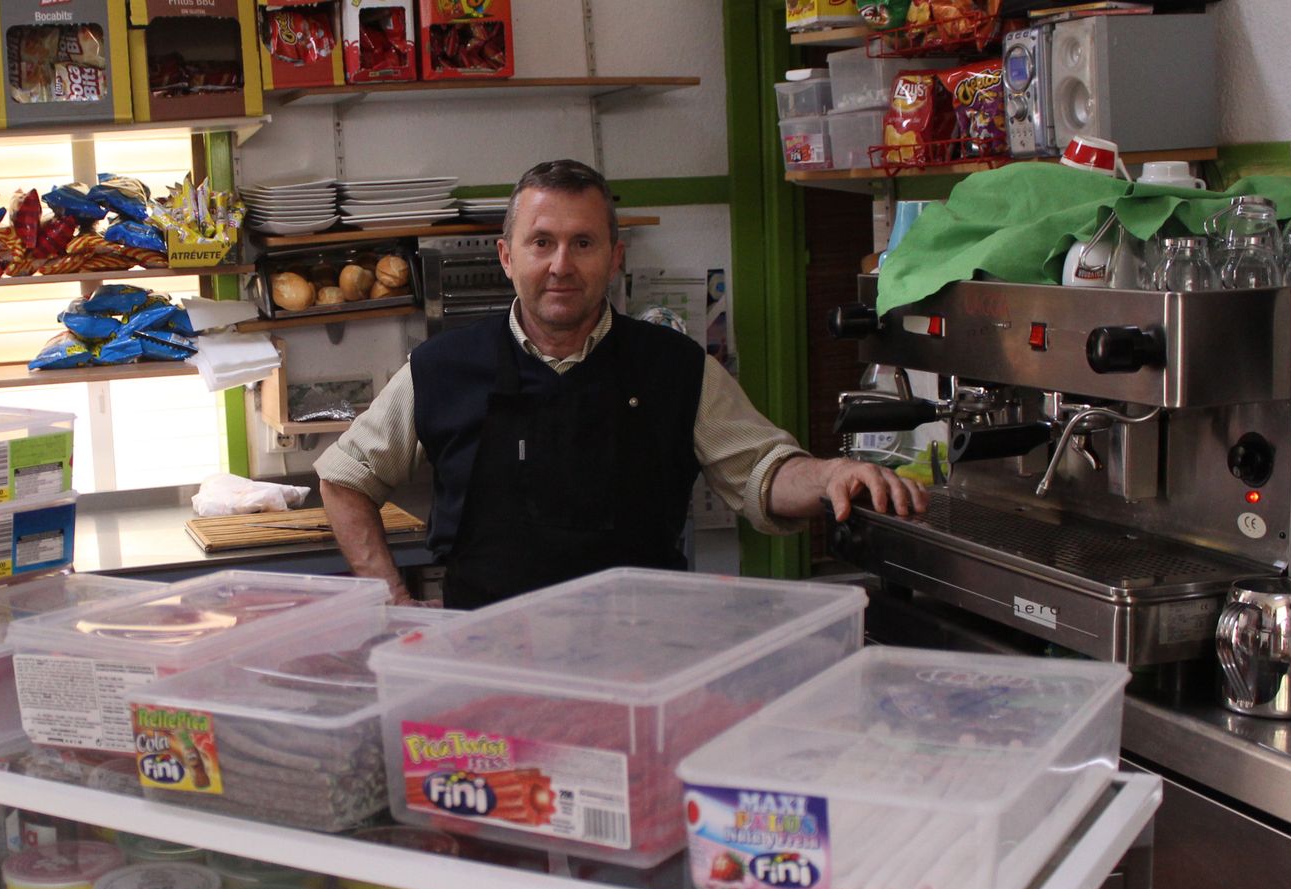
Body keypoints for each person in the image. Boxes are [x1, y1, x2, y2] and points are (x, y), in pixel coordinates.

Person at [317, 159, 927, 609]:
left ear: (615, 256)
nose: (561, 265)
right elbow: (344, 476)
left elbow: (762, 473)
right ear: (508, 257)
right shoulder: (440, 369)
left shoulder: (675, 368)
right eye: (541, 243)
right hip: (488, 656)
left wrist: (827, 477)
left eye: (583, 243)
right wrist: (389, 598)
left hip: (641, 657)